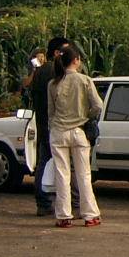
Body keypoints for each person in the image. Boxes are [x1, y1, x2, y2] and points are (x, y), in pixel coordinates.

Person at [47, 48, 104, 228]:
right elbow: (98, 106)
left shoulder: (53, 84)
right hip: (79, 131)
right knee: (83, 175)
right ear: (76, 60)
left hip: (58, 132)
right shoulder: (85, 80)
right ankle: (90, 215)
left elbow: (50, 113)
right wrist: (86, 116)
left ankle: (64, 216)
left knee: (62, 175)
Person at [29, 37, 70, 216]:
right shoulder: (56, 72)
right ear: (56, 53)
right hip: (54, 124)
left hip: (42, 122)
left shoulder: (40, 71)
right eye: (66, 51)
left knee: (43, 163)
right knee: (60, 165)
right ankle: (54, 202)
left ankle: (43, 202)